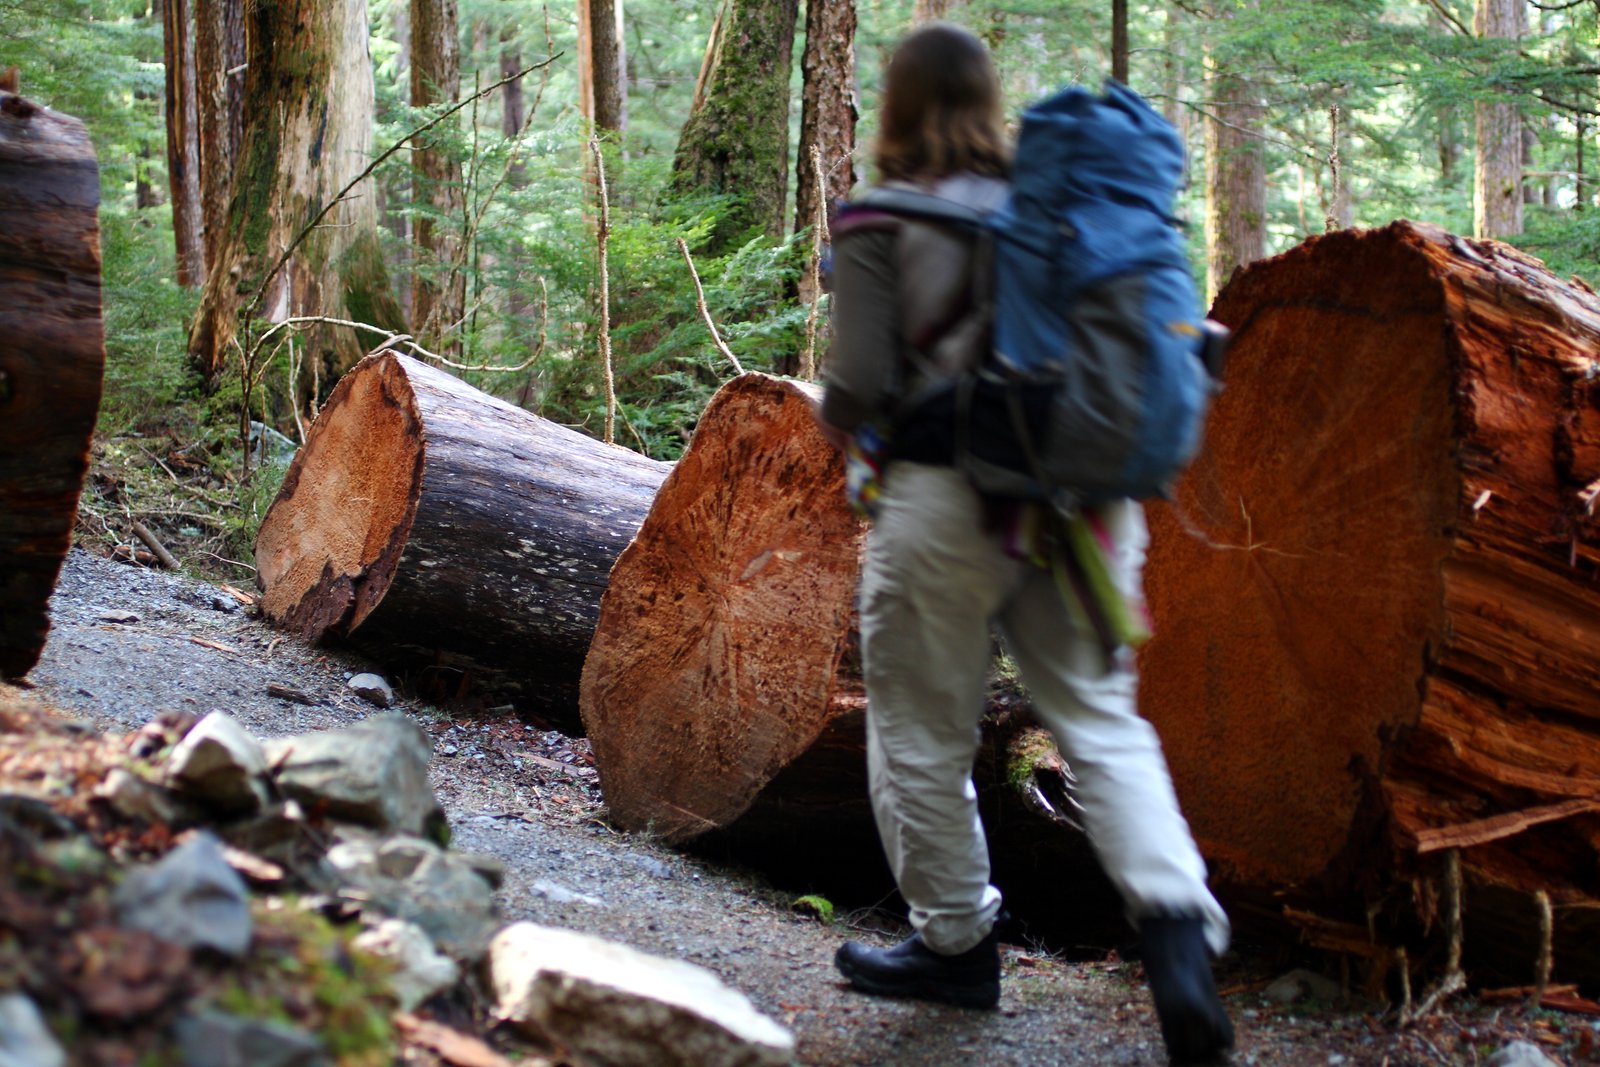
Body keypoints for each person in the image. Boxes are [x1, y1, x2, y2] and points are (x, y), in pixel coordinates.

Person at [817, 23, 1235, 1065]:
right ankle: (1178, 934)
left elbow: (858, 384)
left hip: (944, 504)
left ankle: (955, 944)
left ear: (897, 104)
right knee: (1100, 718)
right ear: (990, 103)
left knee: (922, 729)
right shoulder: (1062, 211)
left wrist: (848, 429)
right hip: (1082, 507)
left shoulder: (882, 216)